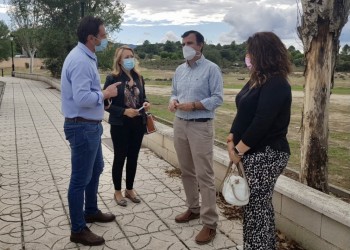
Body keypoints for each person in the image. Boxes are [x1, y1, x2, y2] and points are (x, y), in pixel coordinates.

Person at [227, 31, 292, 250]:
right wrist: (230, 140)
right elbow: (243, 113)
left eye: (250, 52)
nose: (247, 56)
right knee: (254, 207)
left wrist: (238, 150)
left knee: (257, 207)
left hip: (267, 154)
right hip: (251, 152)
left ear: (263, 54)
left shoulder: (277, 84)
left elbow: (262, 122)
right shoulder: (256, 81)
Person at [61, 16, 120, 246]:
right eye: (103, 35)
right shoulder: (81, 61)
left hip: (89, 125)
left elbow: (87, 94)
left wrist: (101, 98)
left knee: (96, 167)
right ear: (91, 37)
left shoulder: (86, 56)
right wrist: (105, 95)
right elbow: (82, 97)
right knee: (79, 179)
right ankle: (78, 229)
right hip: (82, 126)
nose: (105, 39)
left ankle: (91, 210)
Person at [168, 30, 223, 245]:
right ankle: (193, 208)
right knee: (187, 171)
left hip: (200, 126)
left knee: (205, 175)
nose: (186, 47)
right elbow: (174, 92)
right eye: (183, 43)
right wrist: (174, 101)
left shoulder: (212, 69)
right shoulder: (180, 70)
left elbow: (218, 98)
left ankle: (210, 223)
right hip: (180, 123)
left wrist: (194, 105)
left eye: (189, 43)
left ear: (200, 45)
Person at [103, 45, 150, 207]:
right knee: (119, 157)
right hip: (120, 125)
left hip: (138, 124)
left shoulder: (139, 77)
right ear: (119, 60)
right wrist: (124, 111)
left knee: (133, 157)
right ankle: (117, 191)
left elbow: (144, 97)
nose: (130, 59)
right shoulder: (113, 78)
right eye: (126, 57)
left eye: (131, 56)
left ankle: (129, 189)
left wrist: (145, 103)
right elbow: (105, 104)